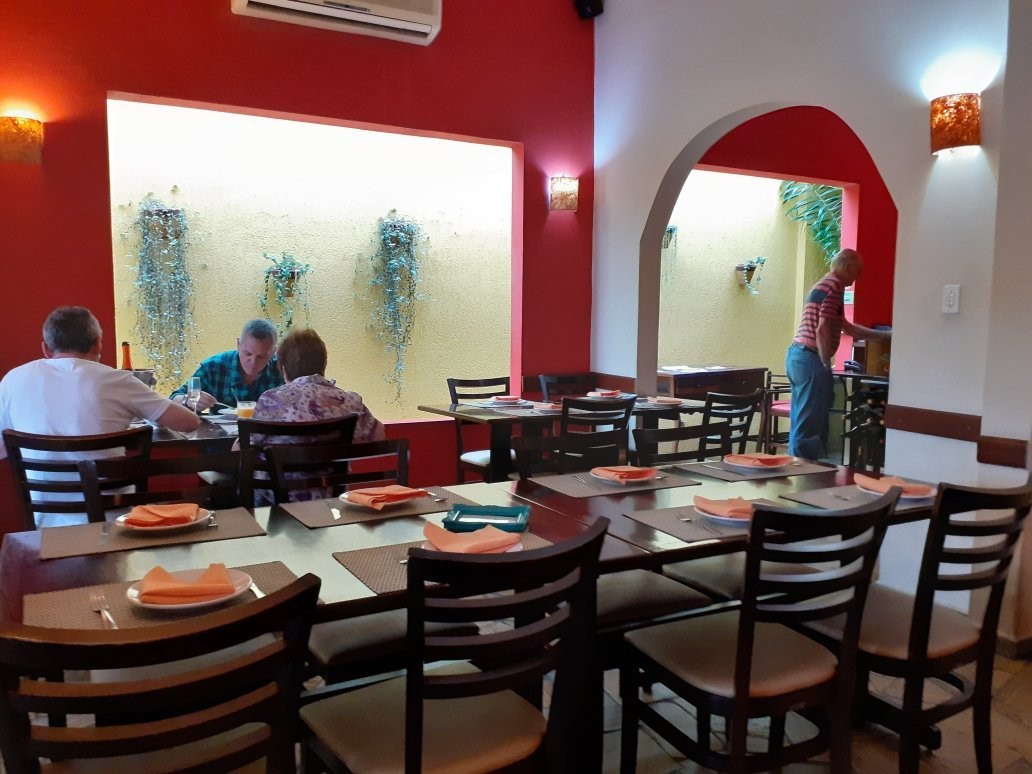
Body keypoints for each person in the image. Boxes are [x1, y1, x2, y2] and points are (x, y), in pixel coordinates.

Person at [0, 306, 200, 526]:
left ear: (46, 349)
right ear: (97, 344)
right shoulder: (118, 380)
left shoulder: (13, 380)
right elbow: (189, 423)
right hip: (117, 521)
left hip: (46, 525)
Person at [244, 327, 385, 503]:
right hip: (329, 501)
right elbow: (379, 435)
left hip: (274, 505)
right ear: (323, 364)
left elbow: (242, 448)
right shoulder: (349, 401)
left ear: (284, 369)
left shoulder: (270, 400)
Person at [786, 249, 891, 460]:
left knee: (802, 422)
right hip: (810, 358)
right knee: (809, 427)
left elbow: (847, 328)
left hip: (797, 357)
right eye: (858, 271)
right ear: (848, 267)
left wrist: (885, 335)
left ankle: (796, 469)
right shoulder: (834, 287)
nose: (858, 276)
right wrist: (825, 363)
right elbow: (822, 328)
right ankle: (804, 473)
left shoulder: (822, 285)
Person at [170, 319, 284, 411]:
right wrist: (188, 400)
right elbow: (174, 398)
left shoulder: (283, 370)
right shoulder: (213, 367)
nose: (253, 362)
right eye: (248, 353)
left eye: (261, 357)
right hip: (219, 432)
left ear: (273, 352)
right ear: (238, 344)